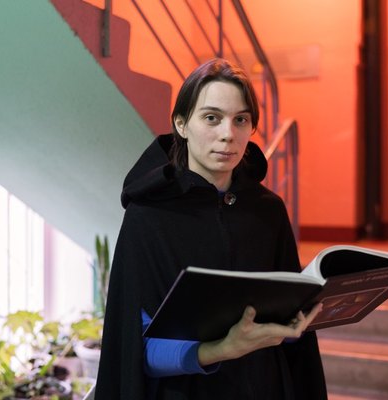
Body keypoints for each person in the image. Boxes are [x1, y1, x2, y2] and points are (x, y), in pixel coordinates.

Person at [95, 58, 327, 400]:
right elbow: (135, 353)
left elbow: (292, 336)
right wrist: (219, 350)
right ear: (181, 124)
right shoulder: (148, 216)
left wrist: (301, 322)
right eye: (212, 118)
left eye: (240, 120)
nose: (228, 134)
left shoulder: (268, 211)